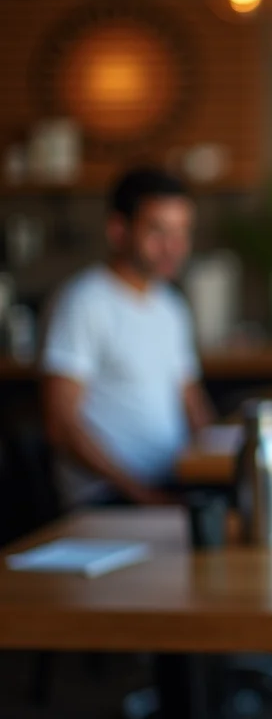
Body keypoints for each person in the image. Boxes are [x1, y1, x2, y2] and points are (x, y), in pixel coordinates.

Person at [41, 167, 214, 506]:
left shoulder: (171, 305)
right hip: (109, 497)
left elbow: (191, 400)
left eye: (182, 232)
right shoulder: (83, 302)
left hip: (173, 481)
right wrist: (144, 496)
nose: (174, 248)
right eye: (158, 231)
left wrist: (221, 456)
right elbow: (61, 424)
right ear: (118, 230)